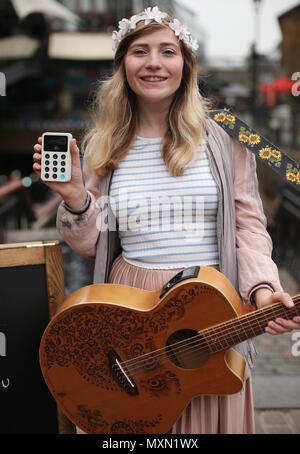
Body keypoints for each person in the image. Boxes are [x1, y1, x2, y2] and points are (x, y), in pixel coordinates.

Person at [33, 6, 300, 434]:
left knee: (205, 410)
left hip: (210, 304)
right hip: (130, 303)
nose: (154, 63)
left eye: (167, 51)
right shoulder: (105, 144)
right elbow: (88, 243)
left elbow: (250, 226)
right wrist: (77, 199)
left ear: (186, 65)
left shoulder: (228, 136)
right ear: (123, 65)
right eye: (140, 51)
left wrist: (264, 290)